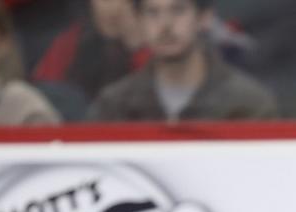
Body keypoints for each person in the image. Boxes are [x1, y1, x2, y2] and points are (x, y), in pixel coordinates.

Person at [88, 0, 277, 122]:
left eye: (178, 10)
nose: (165, 25)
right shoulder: (113, 106)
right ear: (139, 21)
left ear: (204, 17)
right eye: (152, 12)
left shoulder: (247, 104)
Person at [32, 0, 146, 101]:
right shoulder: (72, 40)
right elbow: (44, 89)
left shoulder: (149, 45)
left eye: (127, 1)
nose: (116, 9)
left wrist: (136, 46)